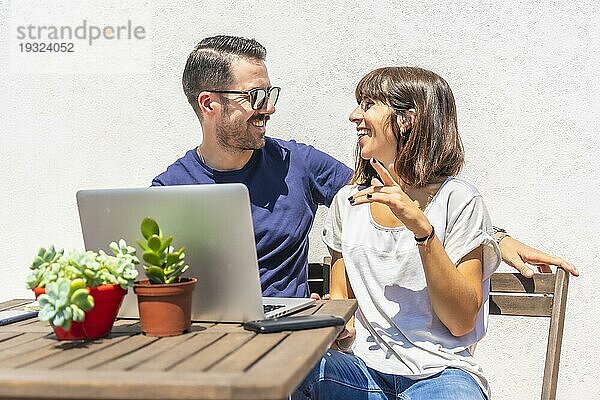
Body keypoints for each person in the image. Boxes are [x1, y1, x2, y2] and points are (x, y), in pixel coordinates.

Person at [152, 35, 578, 298]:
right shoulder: (169, 188)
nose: (271, 108)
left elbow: (400, 194)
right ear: (209, 104)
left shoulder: (295, 163)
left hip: (283, 335)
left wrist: (494, 238)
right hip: (203, 336)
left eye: (271, 93)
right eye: (256, 98)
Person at [294, 67, 498, 399]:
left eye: (368, 103)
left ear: (408, 119)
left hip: (439, 373)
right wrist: (332, 324)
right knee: (293, 368)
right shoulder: (348, 201)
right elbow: (341, 300)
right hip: (360, 370)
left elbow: (461, 322)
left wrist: (422, 230)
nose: (354, 116)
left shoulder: (458, 200)